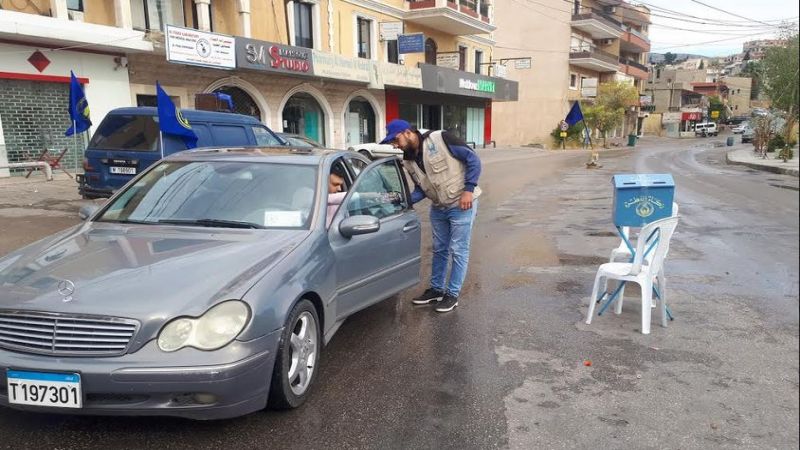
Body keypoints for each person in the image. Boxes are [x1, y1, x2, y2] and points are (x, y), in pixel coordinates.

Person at [380, 119, 481, 313]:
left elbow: (473, 160)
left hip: (461, 204)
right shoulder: (408, 160)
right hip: (439, 207)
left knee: (458, 250)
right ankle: (436, 290)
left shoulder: (441, 139)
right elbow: (421, 189)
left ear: (407, 132)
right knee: (439, 249)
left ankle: (452, 295)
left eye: (395, 139)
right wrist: (402, 202)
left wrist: (469, 190)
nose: (394, 145)